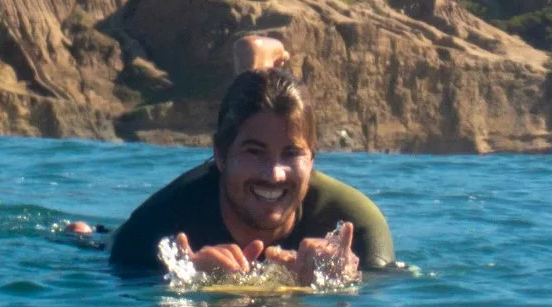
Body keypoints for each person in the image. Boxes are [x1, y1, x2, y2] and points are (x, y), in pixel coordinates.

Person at [109, 64, 394, 281]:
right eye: (254, 152)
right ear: (220, 155)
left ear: (312, 159)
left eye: (292, 153)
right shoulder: (152, 230)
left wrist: (343, 286)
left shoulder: (358, 229)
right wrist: (187, 282)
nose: (274, 175)